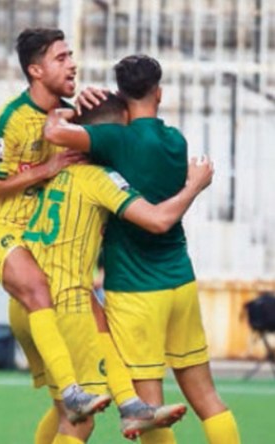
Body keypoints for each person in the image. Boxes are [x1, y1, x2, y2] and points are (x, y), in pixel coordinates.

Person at [44, 54, 240, 444]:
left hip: (135, 291)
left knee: (149, 410)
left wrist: (70, 107)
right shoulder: (176, 141)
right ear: (159, 93)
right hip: (180, 280)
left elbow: (56, 133)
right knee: (208, 398)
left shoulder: (116, 140)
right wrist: (194, 186)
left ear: (120, 94)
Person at [0, 27, 108, 422]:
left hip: (39, 236)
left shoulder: (70, 117)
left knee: (91, 310)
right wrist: (44, 169)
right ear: (35, 70)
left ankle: (120, 400)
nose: (72, 64)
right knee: (37, 287)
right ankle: (73, 389)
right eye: (61, 58)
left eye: (71, 56)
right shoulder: (9, 119)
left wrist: (99, 107)